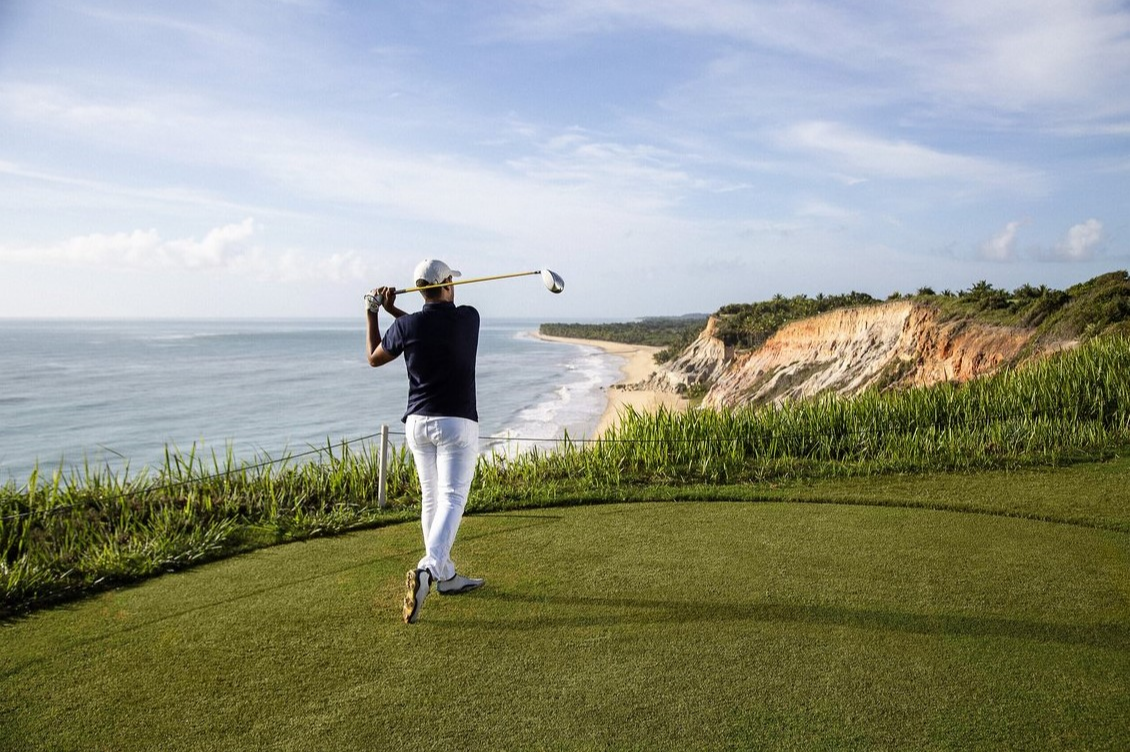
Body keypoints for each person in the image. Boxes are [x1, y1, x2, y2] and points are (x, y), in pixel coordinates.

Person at [366, 259, 485, 624]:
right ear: (447, 285)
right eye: (452, 282)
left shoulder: (408, 325)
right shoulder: (469, 318)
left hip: (417, 423)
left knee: (432, 498)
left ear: (420, 290)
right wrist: (393, 313)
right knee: (451, 498)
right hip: (456, 423)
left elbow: (375, 357)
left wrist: (375, 312)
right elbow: (432, 325)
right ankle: (429, 568)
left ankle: (445, 576)